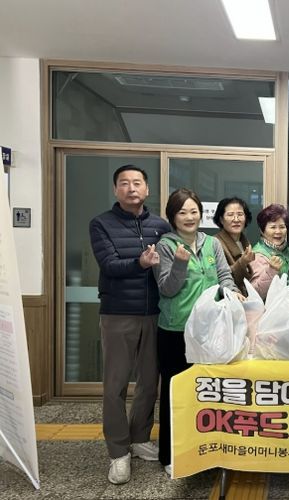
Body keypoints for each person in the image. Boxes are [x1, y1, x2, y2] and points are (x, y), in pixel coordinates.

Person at [89, 164, 171, 485]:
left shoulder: (160, 226)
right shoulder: (101, 224)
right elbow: (109, 264)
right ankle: (118, 451)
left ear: (147, 189)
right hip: (118, 313)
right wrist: (140, 262)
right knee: (116, 386)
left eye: (137, 182)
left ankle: (139, 438)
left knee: (150, 382)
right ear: (116, 190)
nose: (131, 188)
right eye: (124, 183)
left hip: (155, 313)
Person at [153, 188, 242, 477]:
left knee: (205, 393)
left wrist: (232, 292)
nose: (189, 217)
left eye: (194, 211)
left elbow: (224, 276)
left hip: (209, 330)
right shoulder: (165, 246)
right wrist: (180, 262)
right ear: (172, 217)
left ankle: (204, 451)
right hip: (175, 330)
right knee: (175, 394)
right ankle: (171, 455)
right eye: (182, 212)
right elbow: (167, 288)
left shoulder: (211, 243)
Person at [250, 204, 289, 300]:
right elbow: (255, 293)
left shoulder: (285, 250)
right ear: (262, 230)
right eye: (273, 227)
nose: (278, 231)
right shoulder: (258, 255)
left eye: (282, 227)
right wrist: (271, 270)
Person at [213, 196, 254, 295]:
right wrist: (242, 262)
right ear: (221, 219)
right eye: (230, 215)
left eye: (240, 214)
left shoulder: (244, 242)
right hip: (227, 297)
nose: (236, 219)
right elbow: (222, 277)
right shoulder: (215, 243)